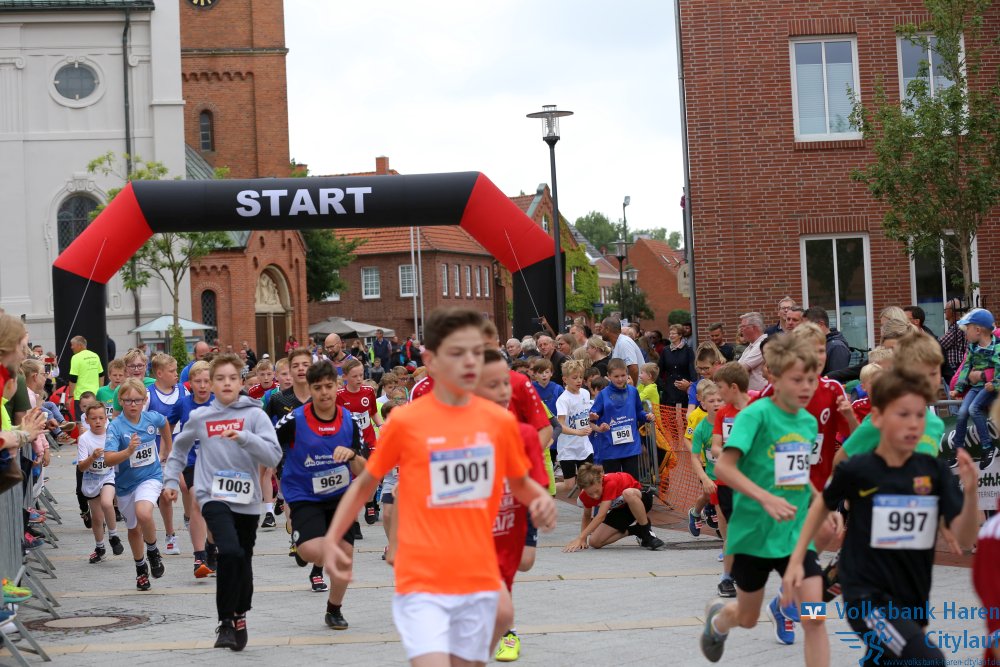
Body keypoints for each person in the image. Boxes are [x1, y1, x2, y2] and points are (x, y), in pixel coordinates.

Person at [322, 308, 557, 667]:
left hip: (477, 566)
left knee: (501, 615)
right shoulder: (407, 421)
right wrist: (333, 538)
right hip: (424, 572)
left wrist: (537, 499)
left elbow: (517, 479)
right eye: (457, 352)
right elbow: (366, 481)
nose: (469, 362)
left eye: (476, 352)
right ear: (431, 360)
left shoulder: (497, 421)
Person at [782, 369, 979, 667]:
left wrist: (971, 493)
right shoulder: (859, 469)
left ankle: (795, 607)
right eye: (903, 415)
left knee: (888, 658)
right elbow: (823, 501)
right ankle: (788, 608)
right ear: (878, 418)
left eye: (920, 416)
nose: (914, 424)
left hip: (910, 596)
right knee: (928, 660)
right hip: (865, 594)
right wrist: (797, 561)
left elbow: (966, 537)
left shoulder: (934, 471)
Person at [699, 333, 828, 665]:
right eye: (797, 380)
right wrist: (766, 498)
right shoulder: (754, 416)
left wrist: (822, 502)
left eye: (811, 379)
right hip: (753, 534)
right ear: (774, 377)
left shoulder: (807, 422)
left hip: (793, 535)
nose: (806, 387)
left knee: (815, 617)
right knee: (747, 617)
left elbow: (796, 473)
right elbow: (724, 468)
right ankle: (718, 620)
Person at [163, 353, 281, 650]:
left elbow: (273, 455)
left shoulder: (255, 415)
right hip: (212, 494)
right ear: (212, 384)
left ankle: (240, 614)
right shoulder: (201, 417)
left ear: (241, 382)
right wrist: (170, 481)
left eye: (232, 378)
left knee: (243, 558)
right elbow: (179, 449)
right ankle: (226, 622)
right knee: (228, 551)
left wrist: (244, 438)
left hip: (246, 497)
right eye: (220, 378)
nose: (226, 383)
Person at [276, 360, 366, 628]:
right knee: (312, 551)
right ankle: (304, 549)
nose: (324, 392)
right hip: (304, 494)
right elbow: (268, 446)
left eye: (329, 386)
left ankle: (334, 610)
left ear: (337, 386)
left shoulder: (349, 421)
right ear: (310, 389)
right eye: (318, 388)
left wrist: (352, 455)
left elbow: (364, 470)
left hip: (339, 496)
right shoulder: (295, 420)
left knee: (345, 556)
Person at [474, 348, 550, 662]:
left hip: (516, 495)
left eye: (504, 383)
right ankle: (508, 633)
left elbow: (544, 430)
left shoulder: (520, 386)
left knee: (525, 561)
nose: (504, 390)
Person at [102, 378, 173, 591]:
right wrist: (128, 451)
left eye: (137, 400)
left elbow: (164, 423)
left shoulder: (151, 418)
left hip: (151, 476)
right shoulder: (115, 427)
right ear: (120, 401)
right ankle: (141, 568)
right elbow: (108, 459)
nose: (133, 404)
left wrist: (167, 449)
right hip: (125, 484)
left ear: (144, 400)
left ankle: (153, 551)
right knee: (133, 529)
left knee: (144, 513)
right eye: (128, 400)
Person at [708, 362, 751, 598]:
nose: (718, 393)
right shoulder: (723, 414)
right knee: (735, 529)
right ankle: (727, 578)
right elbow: (715, 446)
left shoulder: (758, 409)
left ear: (733, 387)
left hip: (756, 483)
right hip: (728, 483)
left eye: (720, 387)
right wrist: (731, 454)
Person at [562, 463, 664, 551]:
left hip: (641, 500)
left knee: (628, 493)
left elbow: (601, 516)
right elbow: (586, 516)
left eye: (597, 491)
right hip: (622, 509)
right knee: (594, 542)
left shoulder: (610, 483)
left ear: (601, 480)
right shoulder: (584, 497)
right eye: (590, 494)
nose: (595, 496)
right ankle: (637, 530)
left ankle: (647, 532)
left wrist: (580, 537)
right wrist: (583, 540)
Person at [177, 360, 216, 578]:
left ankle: (212, 547)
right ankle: (199, 556)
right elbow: (166, 426)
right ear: (190, 383)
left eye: (206, 381)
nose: (202, 385)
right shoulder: (182, 404)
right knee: (197, 502)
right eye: (197, 381)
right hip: (192, 463)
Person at [949, 308, 1000, 470]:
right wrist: (958, 388)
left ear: (978, 330)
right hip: (976, 387)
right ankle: (958, 450)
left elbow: (999, 367)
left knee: (973, 408)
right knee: (962, 413)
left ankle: (988, 447)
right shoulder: (972, 347)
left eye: (967, 329)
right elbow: (966, 368)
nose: (965, 334)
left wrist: (995, 384)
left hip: (989, 388)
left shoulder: (997, 347)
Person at [588, 358, 654, 480]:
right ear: (609, 376)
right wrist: (594, 419)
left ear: (627, 374)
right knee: (613, 485)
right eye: (616, 376)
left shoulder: (633, 391)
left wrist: (646, 416)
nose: (620, 379)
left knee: (632, 483)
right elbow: (592, 419)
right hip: (610, 449)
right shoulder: (603, 395)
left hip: (631, 447)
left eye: (623, 375)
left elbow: (638, 411)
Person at [147, 353, 186, 556]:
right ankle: (170, 535)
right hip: (159, 452)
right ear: (159, 373)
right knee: (166, 495)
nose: (176, 374)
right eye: (172, 371)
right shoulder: (148, 395)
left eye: (176, 370)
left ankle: (190, 516)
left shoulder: (183, 391)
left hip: (183, 448)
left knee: (187, 487)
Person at [337, 358, 383, 524]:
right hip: (350, 441)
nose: (358, 379)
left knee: (374, 472)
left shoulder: (368, 391)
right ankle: (353, 519)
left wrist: (381, 426)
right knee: (352, 477)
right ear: (345, 377)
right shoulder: (339, 396)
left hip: (369, 439)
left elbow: (373, 412)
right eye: (354, 376)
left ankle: (370, 502)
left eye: (361, 375)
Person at [76, 403, 124, 563]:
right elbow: (81, 467)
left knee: (107, 503)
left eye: (101, 418)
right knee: (96, 518)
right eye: (93, 418)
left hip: (108, 475)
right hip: (91, 479)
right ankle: (100, 548)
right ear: (87, 420)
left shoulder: (112, 435)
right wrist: (92, 458)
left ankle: (114, 536)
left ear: (106, 419)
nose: (97, 421)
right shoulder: (84, 439)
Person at [554, 360, 593, 497]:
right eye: (575, 378)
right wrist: (578, 432)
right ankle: (543, 490)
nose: (579, 380)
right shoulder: (563, 399)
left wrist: (593, 422)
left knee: (589, 482)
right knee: (569, 485)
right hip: (568, 448)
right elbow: (559, 426)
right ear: (565, 379)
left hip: (584, 447)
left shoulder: (585, 393)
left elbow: (586, 415)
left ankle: (587, 506)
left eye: (581, 377)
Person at [801, 307, 852, 376]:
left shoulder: (837, 347)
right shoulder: (823, 343)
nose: (805, 331)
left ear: (821, 324)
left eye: (807, 327)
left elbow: (837, 378)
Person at [659, 324, 696, 408]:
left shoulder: (688, 350)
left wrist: (692, 386)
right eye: (670, 333)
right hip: (669, 389)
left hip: (683, 388)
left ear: (680, 335)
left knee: (682, 413)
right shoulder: (665, 350)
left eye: (673, 333)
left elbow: (692, 369)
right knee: (670, 413)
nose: (671, 336)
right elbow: (660, 370)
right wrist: (663, 385)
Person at [67, 335, 104, 417]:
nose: (71, 347)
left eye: (72, 345)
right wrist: (100, 391)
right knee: (95, 418)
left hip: (81, 397)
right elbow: (101, 375)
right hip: (95, 396)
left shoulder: (76, 358)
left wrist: (70, 396)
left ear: (80, 345)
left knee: (82, 421)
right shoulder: (95, 356)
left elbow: (73, 379)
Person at [602, 318, 643, 386]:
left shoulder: (623, 343)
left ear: (607, 329)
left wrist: (630, 389)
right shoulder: (619, 343)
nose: (601, 331)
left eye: (602, 328)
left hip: (636, 391)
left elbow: (633, 369)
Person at [736, 312, 768, 392]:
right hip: (752, 395)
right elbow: (737, 366)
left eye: (743, 327)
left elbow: (741, 369)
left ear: (754, 328)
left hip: (760, 395)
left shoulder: (763, 344)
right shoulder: (751, 346)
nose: (741, 330)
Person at [938, 298, 967, 383]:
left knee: (953, 390)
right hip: (954, 367)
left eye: (946, 309)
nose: (944, 312)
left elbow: (940, 344)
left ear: (951, 311)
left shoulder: (957, 327)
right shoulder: (955, 326)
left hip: (955, 368)